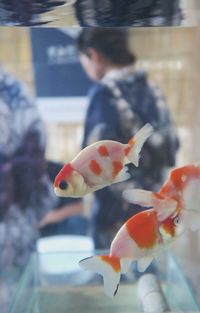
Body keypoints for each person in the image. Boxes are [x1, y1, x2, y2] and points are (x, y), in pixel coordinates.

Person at [77, 28, 180, 249]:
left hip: (117, 219)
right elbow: (172, 148)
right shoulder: (152, 89)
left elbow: (94, 167)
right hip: (156, 210)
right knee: (148, 275)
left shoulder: (104, 95)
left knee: (116, 274)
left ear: (94, 56)